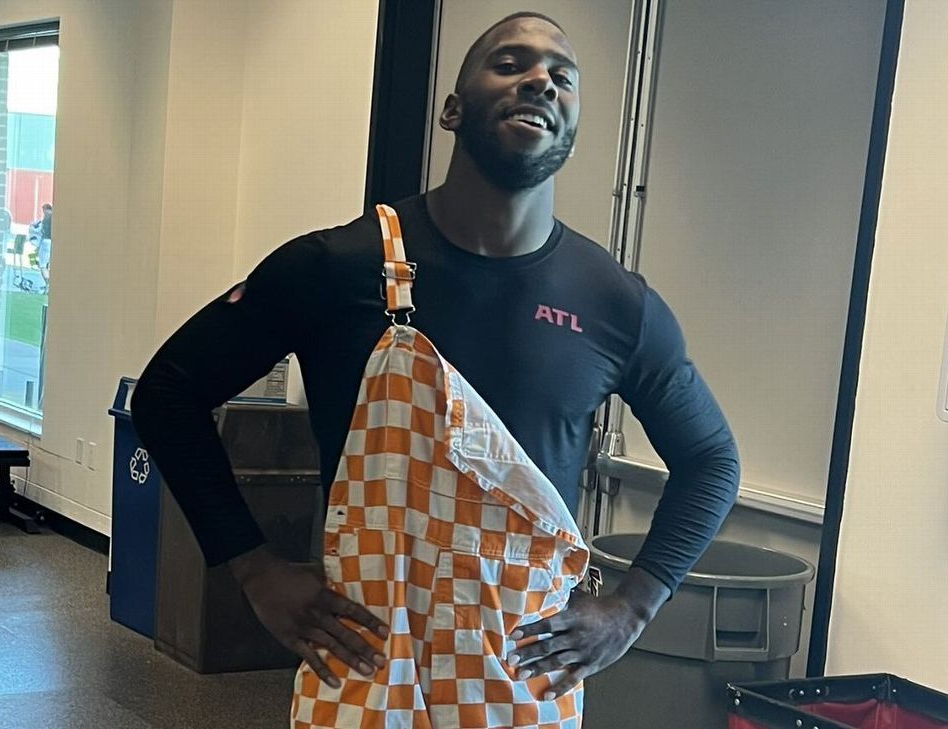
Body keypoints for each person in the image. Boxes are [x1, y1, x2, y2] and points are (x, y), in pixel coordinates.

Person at [133, 12, 738, 726]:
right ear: (452, 109)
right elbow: (167, 394)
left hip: (522, 681)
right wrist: (252, 567)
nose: (541, 79)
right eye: (511, 63)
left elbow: (710, 458)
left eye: (562, 77)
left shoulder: (615, 304)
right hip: (365, 669)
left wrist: (636, 604)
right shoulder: (337, 267)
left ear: (572, 127)